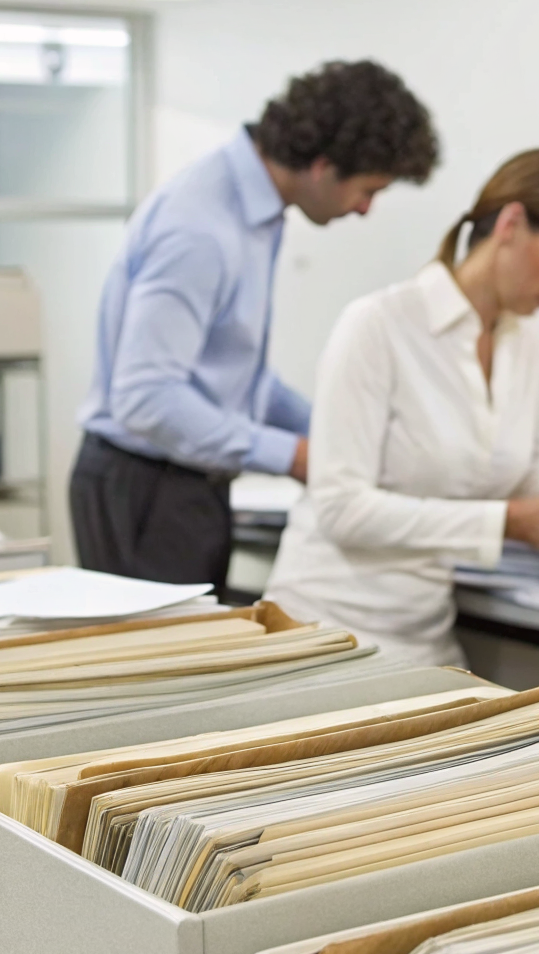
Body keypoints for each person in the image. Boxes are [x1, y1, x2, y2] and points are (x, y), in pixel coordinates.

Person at [264, 148, 539, 668]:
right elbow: (342, 510)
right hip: (323, 633)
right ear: (511, 225)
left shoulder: (522, 341)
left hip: (423, 638)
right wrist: (502, 523)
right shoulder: (378, 325)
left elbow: (530, 476)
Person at [72, 60, 439, 587]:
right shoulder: (200, 229)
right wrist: (294, 456)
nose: (365, 209)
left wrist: (331, 434)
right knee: (176, 645)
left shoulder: (255, 211)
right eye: (368, 190)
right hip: (147, 487)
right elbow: (146, 397)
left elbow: (234, 379)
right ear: (322, 166)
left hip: (184, 480)